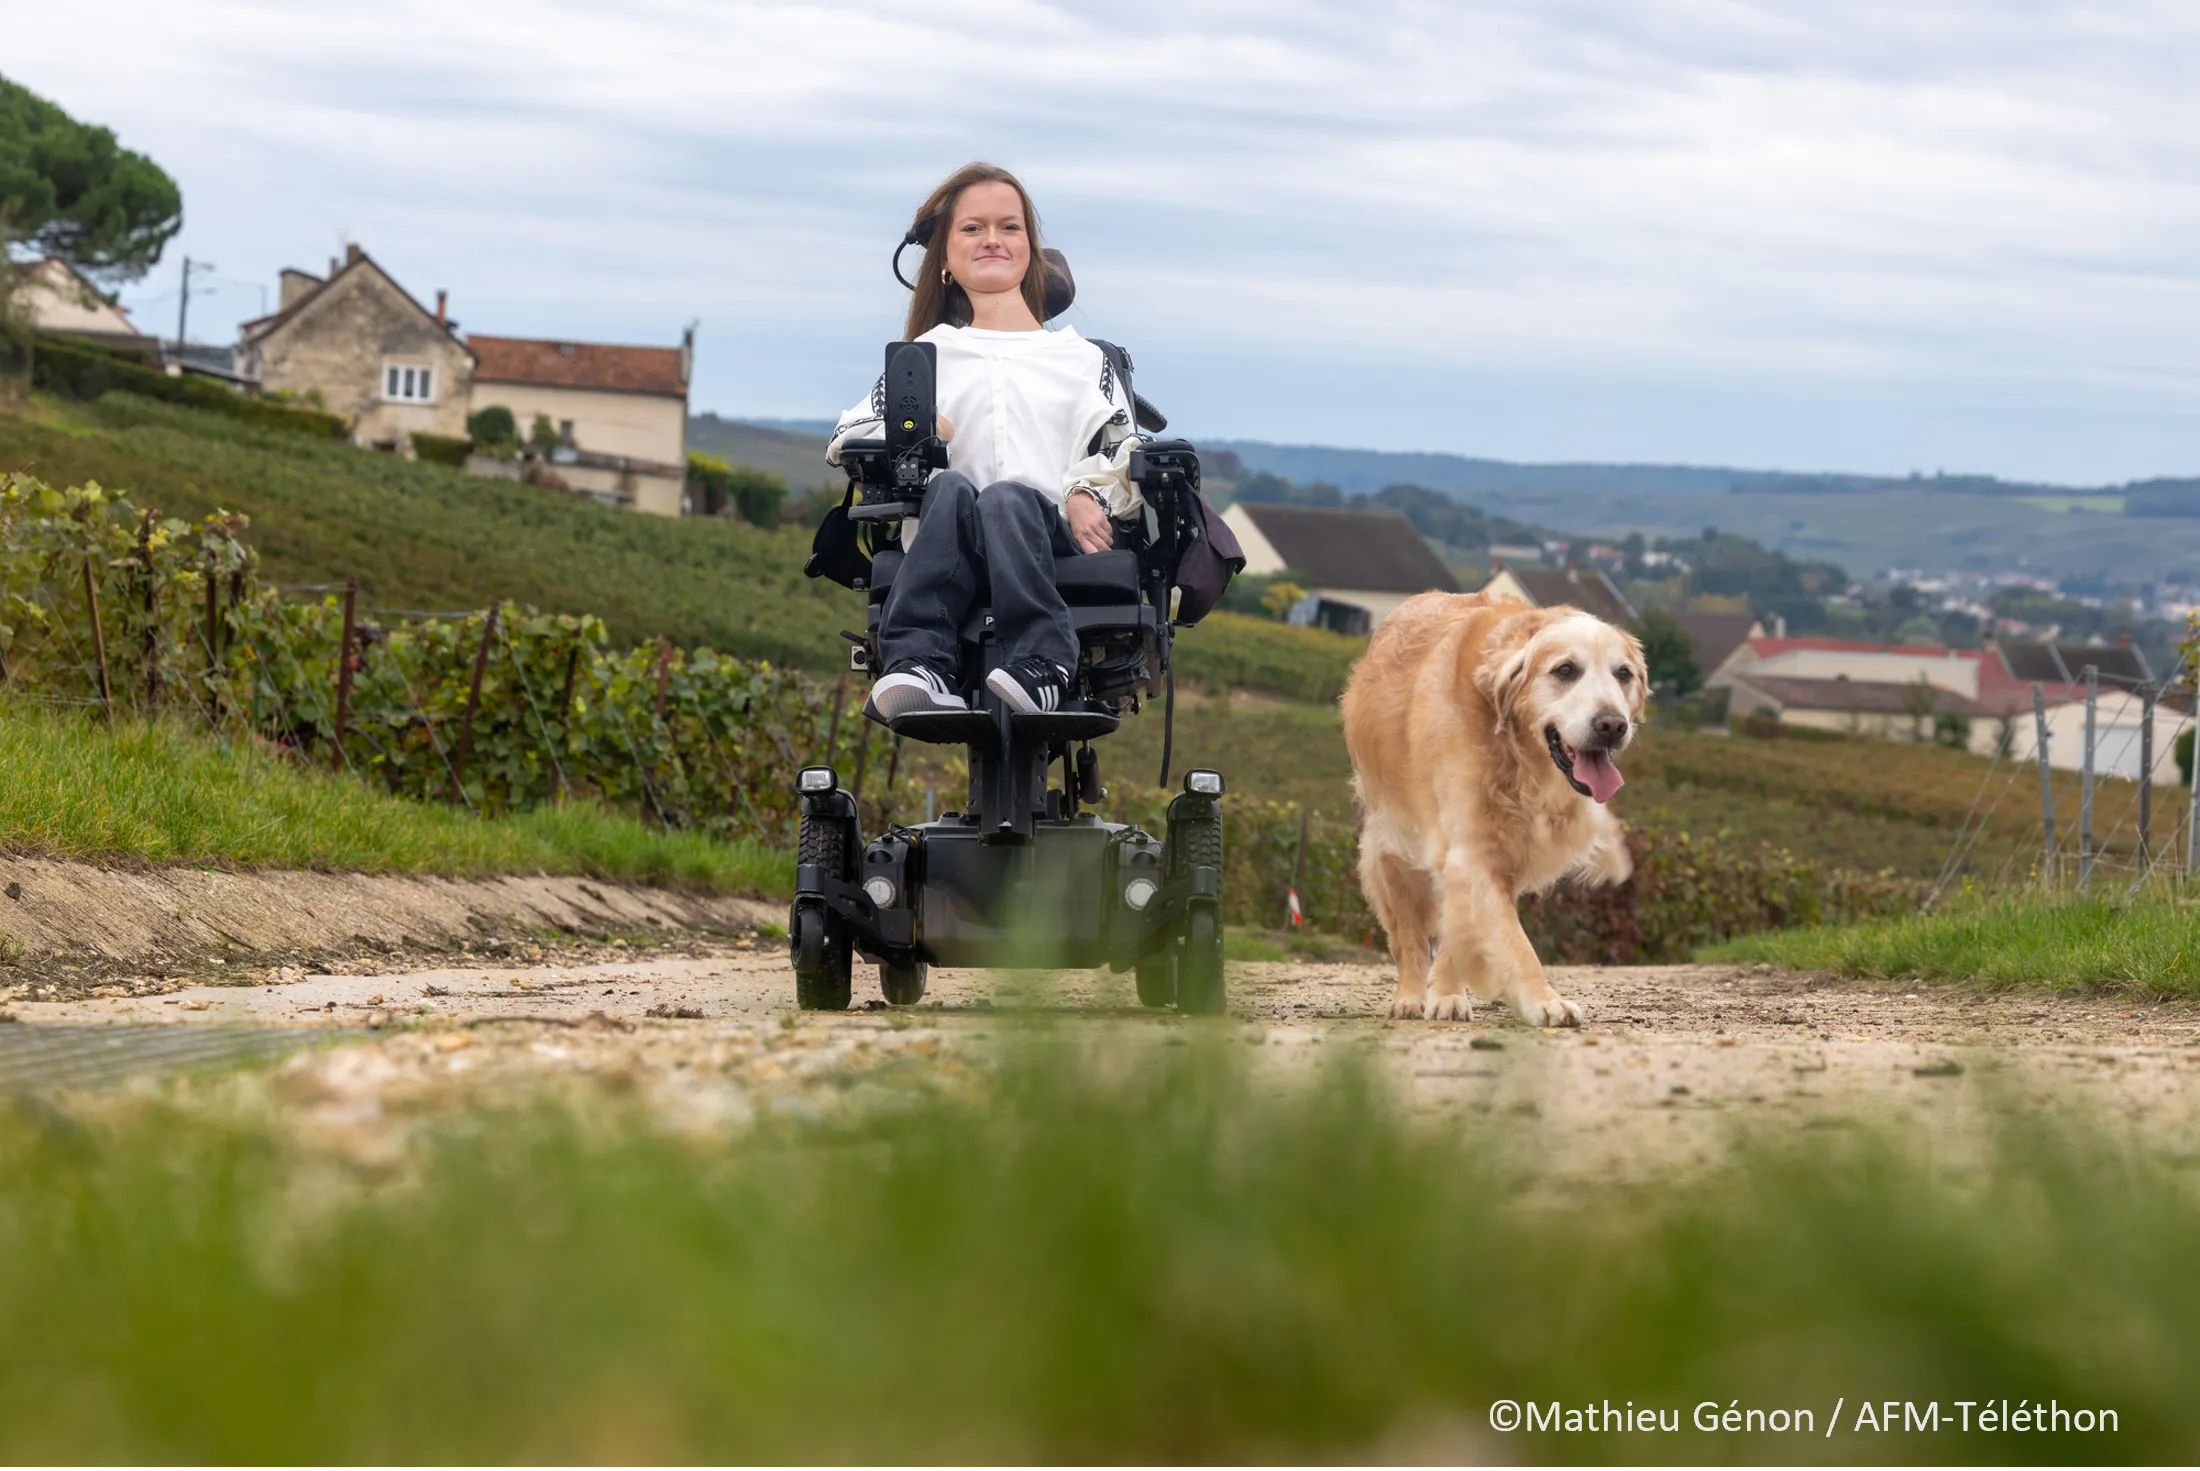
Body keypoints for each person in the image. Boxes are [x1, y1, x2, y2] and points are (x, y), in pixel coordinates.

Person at [828, 161, 1144, 724]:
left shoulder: (1084, 359)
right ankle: (920, 665)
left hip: (1048, 536)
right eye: (972, 228)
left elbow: (1125, 451)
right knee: (952, 487)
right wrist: (920, 431)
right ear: (945, 257)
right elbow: (847, 439)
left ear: (1031, 248)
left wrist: (1084, 493)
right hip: (950, 537)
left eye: (1009, 226)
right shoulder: (924, 357)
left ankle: (1043, 662)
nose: (992, 239)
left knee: (1008, 497)